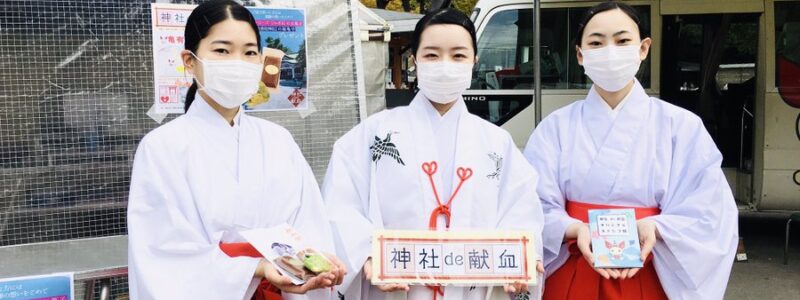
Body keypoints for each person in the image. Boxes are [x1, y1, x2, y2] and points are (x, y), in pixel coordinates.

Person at [127, 1, 345, 299]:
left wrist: (317, 262)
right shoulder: (162, 147)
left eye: (249, 52)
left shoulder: (278, 140)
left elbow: (308, 223)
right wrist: (256, 268)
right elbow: (163, 253)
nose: (238, 61)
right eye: (222, 50)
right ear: (189, 61)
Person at [323, 8, 545, 300]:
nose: (445, 65)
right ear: (415, 60)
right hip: (393, 289)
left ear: (474, 62)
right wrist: (367, 255)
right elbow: (340, 207)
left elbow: (521, 212)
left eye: (458, 55)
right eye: (431, 55)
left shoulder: (497, 143)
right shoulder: (372, 135)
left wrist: (519, 263)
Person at [522, 2, 738, 300]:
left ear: (643, 48)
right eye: (596, 42)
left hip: (650, 273)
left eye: (623, 41)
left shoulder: (681, 127)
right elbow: (529, 205)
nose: (610, 51)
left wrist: (656, 227)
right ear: (580, 55)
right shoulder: (555, 128)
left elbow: (710, 211)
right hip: (574, 272)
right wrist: (573, 228)